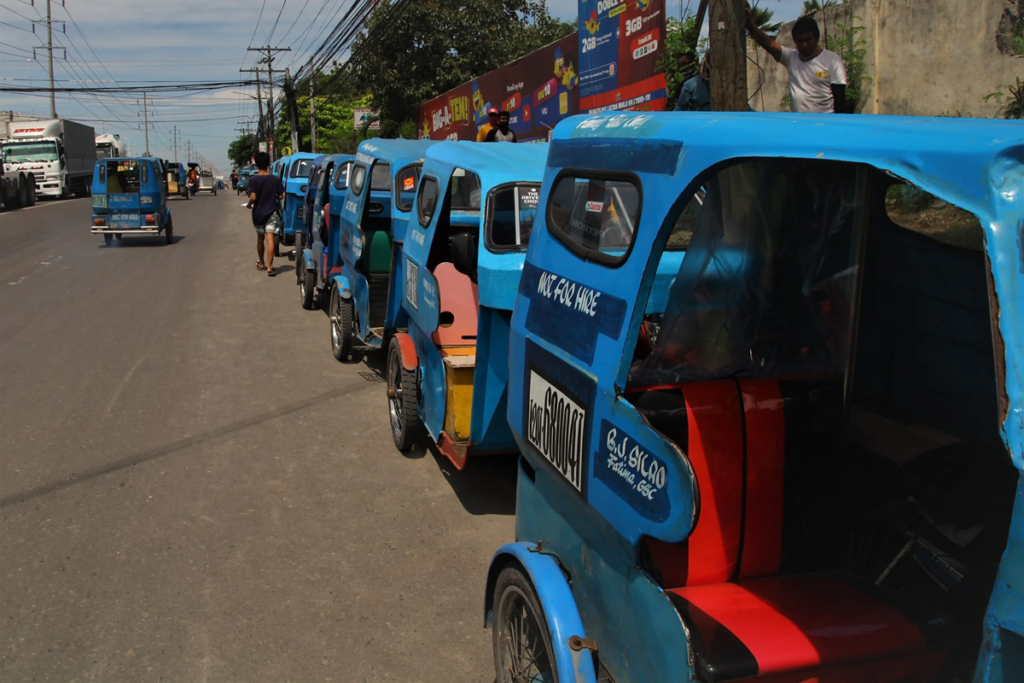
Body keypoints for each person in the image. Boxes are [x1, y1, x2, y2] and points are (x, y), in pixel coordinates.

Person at [746, 10, 847, 113]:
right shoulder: (791, 57)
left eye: (808, 39)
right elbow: (769, 44)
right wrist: (748, 23)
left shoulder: (833, 60)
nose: (804, 44)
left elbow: (840, 100)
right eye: (800, 40)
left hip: (824, 121)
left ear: (816, 38)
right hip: (798, 121)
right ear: (794, 40)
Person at [246, 151, 286, 277]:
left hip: (258, 213)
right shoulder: (275, 179)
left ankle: (262, 263)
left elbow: (253, 197)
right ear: (268, 163)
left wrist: (249, 205)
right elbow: (281, 196)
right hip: (272, 212)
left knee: (260, 238)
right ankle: (270, 267)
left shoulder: (253, 180)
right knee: (270, 238)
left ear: (257, 164)